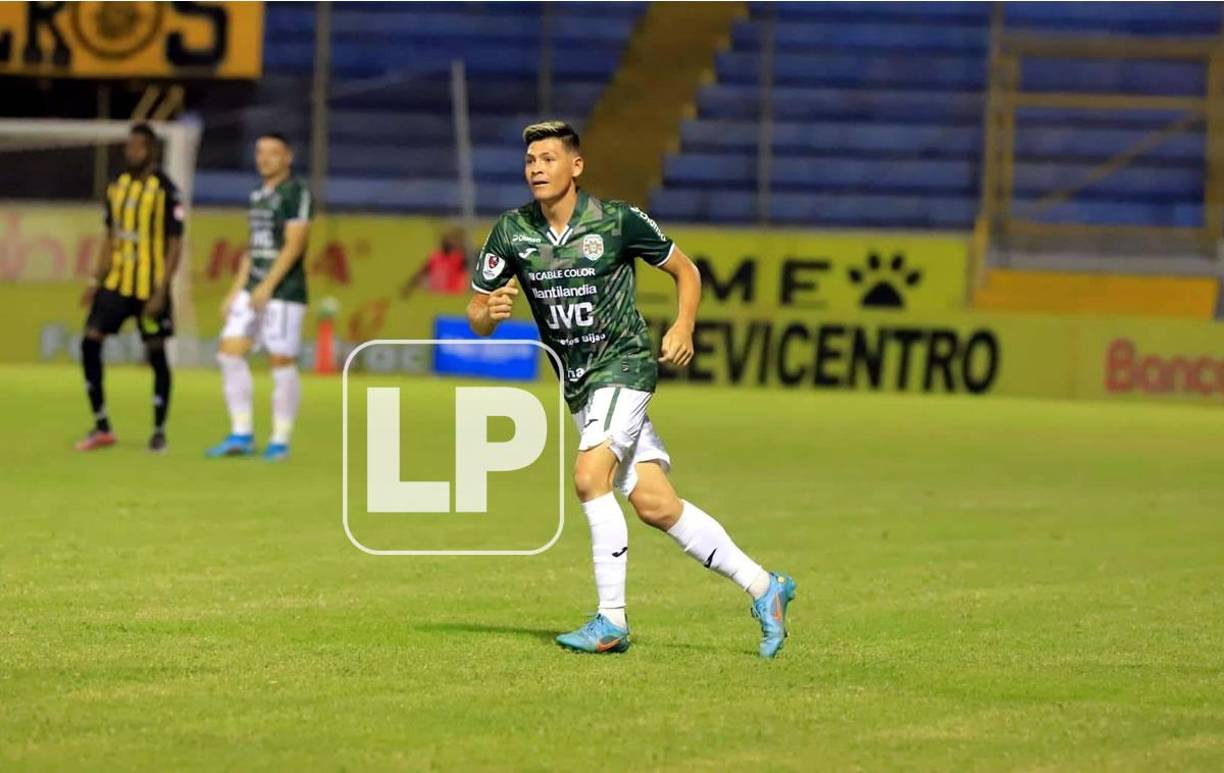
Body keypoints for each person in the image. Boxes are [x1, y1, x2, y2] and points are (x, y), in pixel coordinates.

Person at [466, 121, 797, 658]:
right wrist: (488, 313)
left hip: (622, 366)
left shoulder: (617, 220)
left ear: (576, 167)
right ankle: (766, 587)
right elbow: (477, 309)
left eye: (548, 158)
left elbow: (685, 270)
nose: (536, 168)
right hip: (578, 383)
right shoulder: (512, 231)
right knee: (655, 504)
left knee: (587, 476)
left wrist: (684, 325)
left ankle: (611, 622)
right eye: (530, 160)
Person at [76, 123, 184, 454]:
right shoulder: (116, 187)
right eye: (129, 146)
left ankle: (159, 430)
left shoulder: (166, 190)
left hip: (150, 288)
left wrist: (162, 290)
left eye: (139, 146)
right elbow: (110, 237)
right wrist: (96, 279)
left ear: (151, 150)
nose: (132, 151)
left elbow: (175, 243)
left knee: (155, 352)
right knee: (89, 342)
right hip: (117, 284)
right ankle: (102, 425)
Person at [206, 133, 313, 462]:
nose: (264, 158)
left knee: (280, 361)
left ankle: (280, 438)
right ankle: (241, 433)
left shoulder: (296, 192)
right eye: (260, 152)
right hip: (254, 287)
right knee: (228, 353)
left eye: (273, 153)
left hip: (284, 292)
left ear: (288, 158)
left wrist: (268, 285)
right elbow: (254, 248)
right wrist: (236, 290)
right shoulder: (257, 195)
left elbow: (295, 244)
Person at [400, 227, 469, 298]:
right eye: (446, 239)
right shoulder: (435, 257)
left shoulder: (459, 258)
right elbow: (421, 273)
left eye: (451, 240)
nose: (448, 242)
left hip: (453, 297)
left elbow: (469, 263)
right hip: (436, 297)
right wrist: (409, 287)